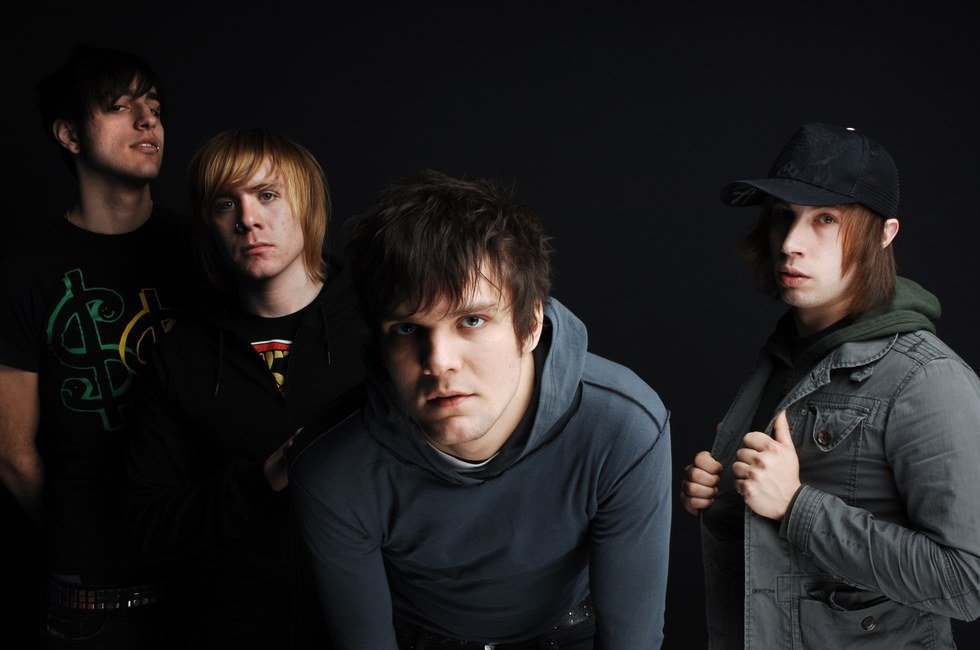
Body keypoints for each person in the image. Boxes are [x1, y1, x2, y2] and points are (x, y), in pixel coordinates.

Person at [289, 169, 672, 649]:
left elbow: (632, 639)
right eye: (407, 329)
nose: (439, 362)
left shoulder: (623, 425)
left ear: (531, 325)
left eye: (472, 320)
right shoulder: (332, 468)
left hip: (569, 633)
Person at [681, 122, 980, 648]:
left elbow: (967, 582)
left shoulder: (926, 378)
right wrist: (725, 493)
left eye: (825, 219)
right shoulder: (786, 355)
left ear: (885, 234)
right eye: (782, 216)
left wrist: (797, 506)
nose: (790, 244)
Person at [125, 128, 366, 649]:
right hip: (228, 631)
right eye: (225, 204)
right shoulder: (180, 355)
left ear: (307, 203)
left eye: (267, 195)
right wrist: (262, 479)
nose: (248, 219)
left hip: (366, 629)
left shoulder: (379, 327)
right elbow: (147, 524)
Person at [0, 43, 193, 647]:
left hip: (208, 580)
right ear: (69, 135)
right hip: (93, 601)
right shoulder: (26, 274)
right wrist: (84, 538)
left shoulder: (204, 252)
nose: (148, 119)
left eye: (153, 105)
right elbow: (12, 454)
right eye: (119, 106)